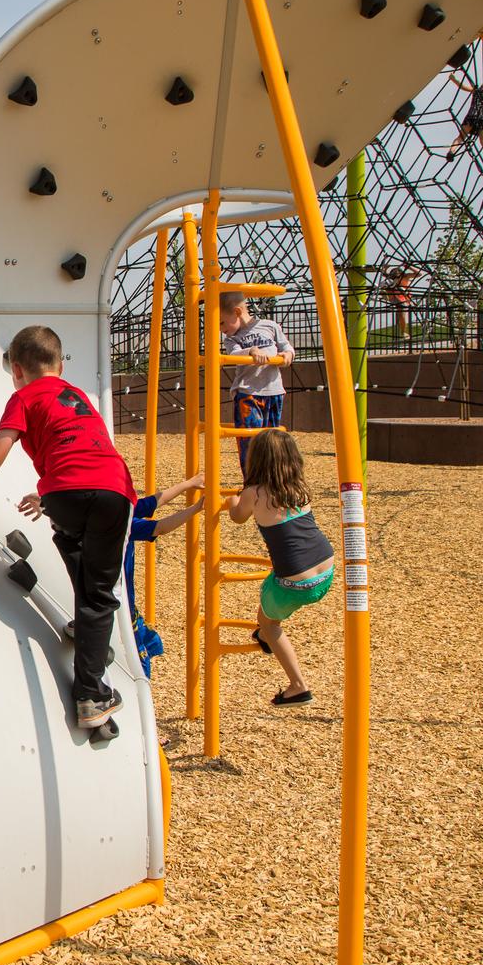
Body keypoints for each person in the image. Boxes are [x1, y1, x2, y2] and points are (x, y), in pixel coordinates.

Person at [0, 325, 138, 731]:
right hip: (114, 490)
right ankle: (90, 662)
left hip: (64, 495)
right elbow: (85, 448)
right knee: (99, 592)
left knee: (75, 548)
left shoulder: (23, 396)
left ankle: (91, 682)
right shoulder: (78, 396)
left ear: (17, 370)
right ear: (60, 366)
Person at [228, 429, 333, 706]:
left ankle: (298, 685)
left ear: (257, 460)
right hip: (325, 569)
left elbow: (238, 517)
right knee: (271, 594)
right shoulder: (300, 488)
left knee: (269, 621)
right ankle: (263, 634)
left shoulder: (255, 493)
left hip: (296, 582)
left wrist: (231, 501)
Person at [121, 476, 208, 677]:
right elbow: (160, 527)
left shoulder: (119, 508)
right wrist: (196, 508)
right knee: (135, 661)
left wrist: (189, 483)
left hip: (124, 603)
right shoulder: (120, 520)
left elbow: (155, 501)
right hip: (120, 605)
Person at [218, 292, 294, 475]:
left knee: (272, 441)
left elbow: (286, 347)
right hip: (248, 392)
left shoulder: (270, 326)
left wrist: (287, 355)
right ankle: (252, 481)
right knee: (250, 441)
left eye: (221, 322)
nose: (220, 329)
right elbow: (233, 355)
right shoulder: (232, 339)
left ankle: (271, 481)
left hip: (273, 390)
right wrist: (251, 351)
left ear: (237, 312)